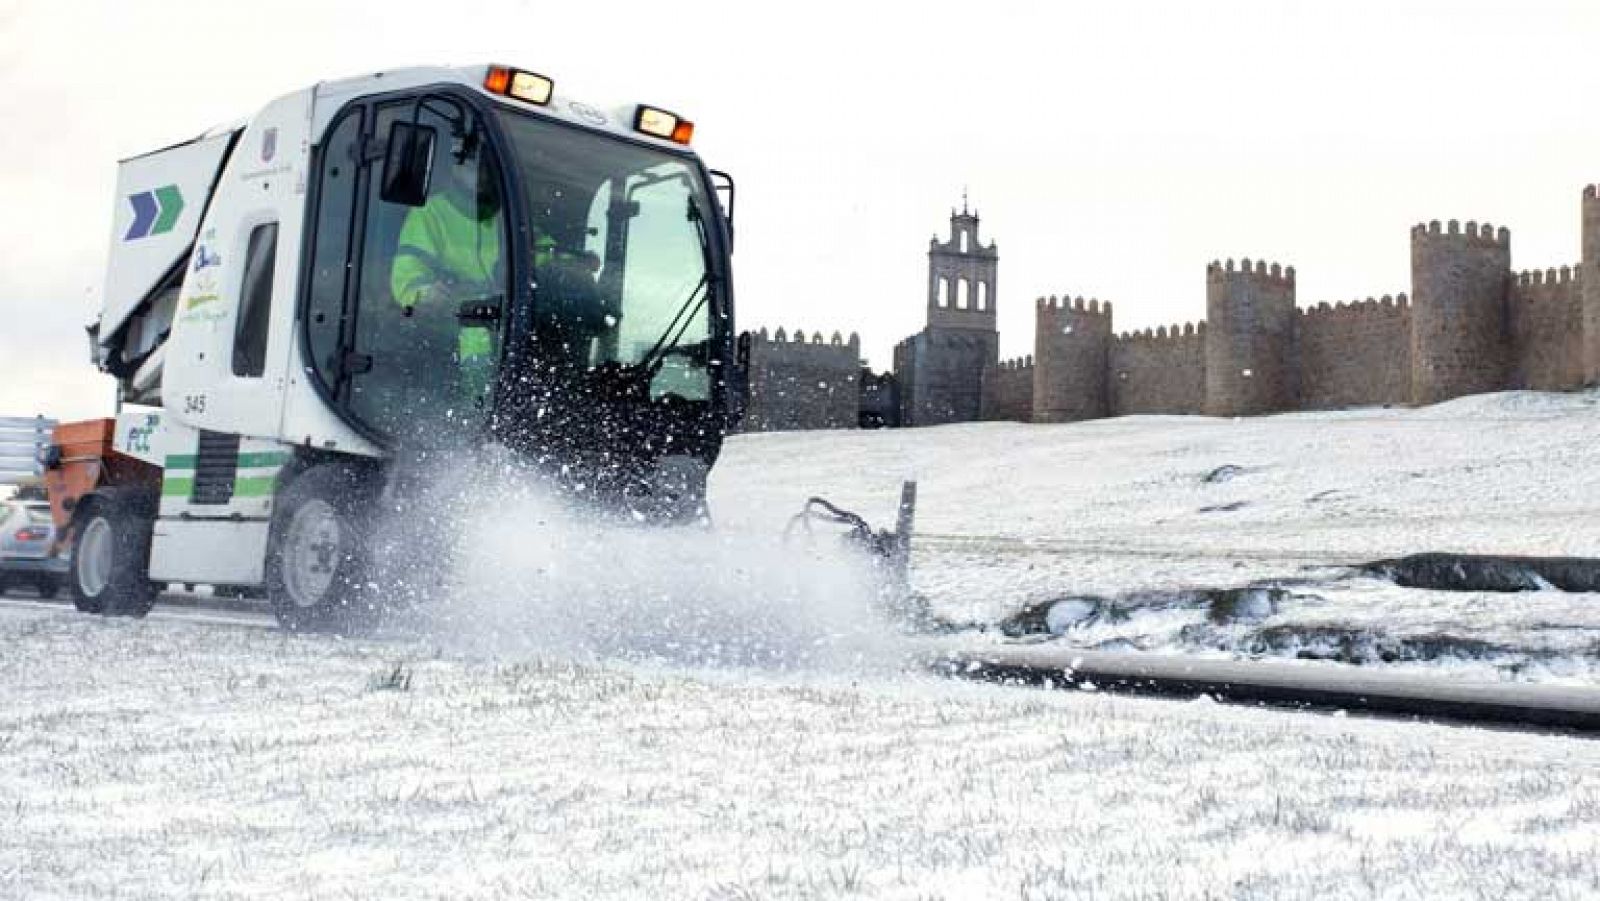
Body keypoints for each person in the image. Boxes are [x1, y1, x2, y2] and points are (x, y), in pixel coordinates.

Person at [389, 146, 503, 399]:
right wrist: (426, 292)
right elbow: (408, 275)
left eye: (486, 167)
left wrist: (568, 264)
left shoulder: (507, 216)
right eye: (474, 165)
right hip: (451, 332)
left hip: (504, 332)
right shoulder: (430, 213)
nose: (482, 174)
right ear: (456, 166)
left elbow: (539, 253)